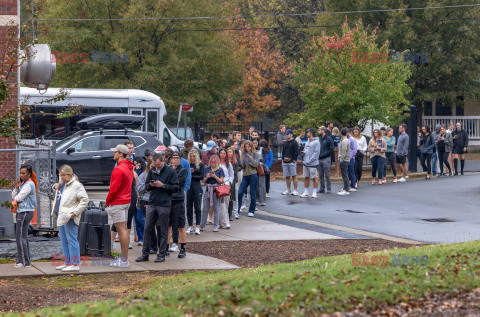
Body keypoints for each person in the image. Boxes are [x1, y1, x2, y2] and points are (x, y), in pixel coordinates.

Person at [135, 152, 179, 263]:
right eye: (155, 165)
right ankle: (145, 254)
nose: (157, 167)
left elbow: (176, 187)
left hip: (164, 203)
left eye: (158, 165)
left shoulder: (170, 172)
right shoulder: (152, 170)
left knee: (163, 230)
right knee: (147, 229)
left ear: (163, 161)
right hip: (152, 202)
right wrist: (151, 185)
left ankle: (162, 254)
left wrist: (163, 185)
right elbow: (146, 186)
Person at [51, 165, 88, 272]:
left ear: (69, 175)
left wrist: (75, 212)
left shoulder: (76, 185)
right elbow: (61, 195)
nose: (61, 177)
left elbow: (84, 200)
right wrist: (55, 187)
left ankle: (75, 263)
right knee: (64, 240)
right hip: (61, 215)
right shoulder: (63, 184)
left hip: (70, 216)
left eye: (63, 175)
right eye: (60, 175)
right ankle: (67, 262)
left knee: (72, 239)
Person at [106, 144, 134, 267]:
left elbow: (114, 189)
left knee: (121, 230)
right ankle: (124, 259)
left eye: (115, 152)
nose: (114, 154)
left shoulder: (118, 169)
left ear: (120, 154)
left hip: (118, 202)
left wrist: (108, 201)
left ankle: (123, 260)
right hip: (126, 201)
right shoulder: (129, 167)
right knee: (124, 229)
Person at [11, 165, 38, 268]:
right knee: (23, 237)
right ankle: (24, 261)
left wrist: (17, 196)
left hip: (25, 212)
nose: (21, 175)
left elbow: (18, 198)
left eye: (24, 173)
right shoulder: (23, 184)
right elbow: (14, 196)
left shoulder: (28, 184)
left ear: (29, 174)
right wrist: (17, 188)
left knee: (20, 237)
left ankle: (23, 262)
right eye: (21, 173)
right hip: (23, 211)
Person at [167, 152, 188, 258]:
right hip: (168, 199)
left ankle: (183, 248)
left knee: (181, 225)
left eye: (177, 158)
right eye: (173, 158)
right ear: (170, 159)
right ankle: (166, 247)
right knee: (168, 225)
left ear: (180, 160)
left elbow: (178, 184)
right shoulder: (168, 169)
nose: (175, 160)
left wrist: (168, 184)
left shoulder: (183, 170)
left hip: (178, 200)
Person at [137, 160, 158, 254]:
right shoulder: (143, 176)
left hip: (159, 201)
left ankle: (162, 246)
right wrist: (148, 185)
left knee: (160, 225)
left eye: (155, 167)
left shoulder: (161, 174)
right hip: (146, 200)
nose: (153, 169)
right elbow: (139, 188)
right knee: (149, 225)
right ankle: (152, 246)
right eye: (151, 167)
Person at [200, 156, 225, 231]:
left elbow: (221, 181)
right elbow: (202, 181)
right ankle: (202, 225)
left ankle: (216, 226)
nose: (213, 163)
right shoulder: (206, 169)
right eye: (211, 162)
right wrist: (207, 177)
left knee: (216, 208)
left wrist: (214, 176)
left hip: (216, 190)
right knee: (205, 208)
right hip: (208, 190)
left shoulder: (220, 169)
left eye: (214, 162)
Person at [237, 140, 260, 217]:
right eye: (246, 147)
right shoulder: (243, 154)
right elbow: (242, 166)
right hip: (245, 175)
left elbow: (256, 165)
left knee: (252, 194)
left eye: (249, 147)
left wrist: (250, 158)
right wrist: (243, 161)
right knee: (240, 193)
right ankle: (238, 208)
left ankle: (251, 210)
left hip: (253, 175)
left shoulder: (255, 154)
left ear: (251, 147)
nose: (247, 148)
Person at [186, 149, 204, 235]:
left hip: (197, 187)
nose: (192, 158)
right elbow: (185, 176)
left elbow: (202, 176)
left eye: (194, 156)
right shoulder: (187, 165)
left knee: (197, 208)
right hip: (189, 187)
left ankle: (197, 226)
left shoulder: (200, 165)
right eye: (191, 156)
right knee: (189, 207)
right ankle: (190, 226)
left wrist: (192, 174)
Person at [300, 129, 320, 198]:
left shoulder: (316, 142)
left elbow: (316, 153)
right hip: (306, 163)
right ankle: (306, 192)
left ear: (311, 133)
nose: (306, 134)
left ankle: (314, 192)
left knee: (315, 178)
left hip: (313, 163)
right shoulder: (307, 142)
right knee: (306, 177)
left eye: (307, 132)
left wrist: (310, 160)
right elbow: (306, 150)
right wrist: (303, 153)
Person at [281, 129, 299, 195]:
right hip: (285, 162)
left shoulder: (295, 142)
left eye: (288, 134)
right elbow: (283, 152)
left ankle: (295, 190)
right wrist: (282, 160)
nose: (287, 135)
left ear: (291, 134)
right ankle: (288, 190)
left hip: (292, 162)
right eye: (286, 134)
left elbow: (296, 152)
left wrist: (294, 160)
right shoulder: (285, 143)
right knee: (287, 176)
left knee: (294, 175)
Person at [219, 148, 233, 228]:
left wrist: (230, 182)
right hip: (219, 186)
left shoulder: (228, 164)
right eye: (221, 153)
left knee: (226, 204)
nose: (223, 154)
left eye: (224, 153)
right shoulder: (217, 164)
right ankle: (225, 222)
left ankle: (223, 221)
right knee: (222, 205)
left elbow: (231, 174)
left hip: (227, 186)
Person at [317, 127, 334, 194]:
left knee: (327, 174)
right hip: (319, 159)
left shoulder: (329, 139)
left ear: (323, 131)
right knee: (320, 174)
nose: (318, 131)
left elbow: (331, 149)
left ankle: (329, 189)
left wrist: (324, 155)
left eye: (319, 130)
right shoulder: (319, 139)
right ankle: (322, 189)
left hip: (326, 159)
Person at [226, 146, 240, 220]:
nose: (229, 153)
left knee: (232, 198)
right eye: (227, 152)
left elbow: (236, 171)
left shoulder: (235, 161)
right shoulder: (224, 161)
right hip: (225, 180)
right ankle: (227, 213)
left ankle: (231, 213)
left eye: (230, 152)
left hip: (233, 181)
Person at [337, 128, 350, 195]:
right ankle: (345, 188)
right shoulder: (345, 140)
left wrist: (341, 159)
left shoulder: (345, 141)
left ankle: (346, 190)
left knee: (345, 175)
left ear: (341, 133)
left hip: (344, 160)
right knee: (344, 175)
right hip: (345, 160)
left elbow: (344, 151)